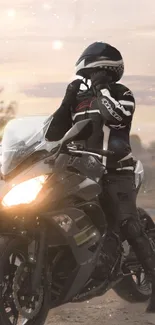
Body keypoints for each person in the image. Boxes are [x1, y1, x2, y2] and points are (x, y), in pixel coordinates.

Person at [46, 41, 155, 312]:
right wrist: (67, 101)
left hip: (116, 171)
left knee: (128, 224)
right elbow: (53, 134)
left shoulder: (122, 93)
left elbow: (115, 117)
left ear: (106, 71)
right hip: (81, 170)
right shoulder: (79, 100)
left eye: (92, 75)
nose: (87, 80)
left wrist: (102, 90)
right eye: (86, 77)